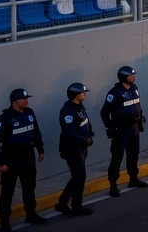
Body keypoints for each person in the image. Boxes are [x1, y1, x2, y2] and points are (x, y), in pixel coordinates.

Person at [0, 88, 46, 231]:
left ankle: (31, 213)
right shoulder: (4, 119)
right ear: (15, 101)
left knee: (29, 187)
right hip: (11, 159)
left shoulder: (29, 113)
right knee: (8, 191)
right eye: (23, 99)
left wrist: (40, 149)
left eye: (27, 98)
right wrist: (0, 162)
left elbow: (35, 132)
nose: (26, 101)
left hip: (28, 156)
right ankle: (5, 222)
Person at [101, 65, 148, 196]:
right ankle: (113, 186)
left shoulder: (134, 88)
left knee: (134, 154)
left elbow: (138, 105)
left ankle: (133, 179)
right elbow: (104, 112)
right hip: (121, 129)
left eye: (133, 75)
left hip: (134, 127)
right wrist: (110, 126)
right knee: (117, 157)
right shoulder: (114, 93)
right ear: (123, 78)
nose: (133, 78)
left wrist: (139, 120)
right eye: (130, 76)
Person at [56, 83, 95, 217]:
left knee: (77, 177)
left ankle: (62, 203)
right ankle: (76, 206)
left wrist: (90, 134)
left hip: (82, 147)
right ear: (75, 95)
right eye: (82, 92)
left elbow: (86, 122)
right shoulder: (67, 111)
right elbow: (69, 133)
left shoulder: (80, 107)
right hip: (72, 149)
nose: (84, 94)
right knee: (80, 177)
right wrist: (84, 140)